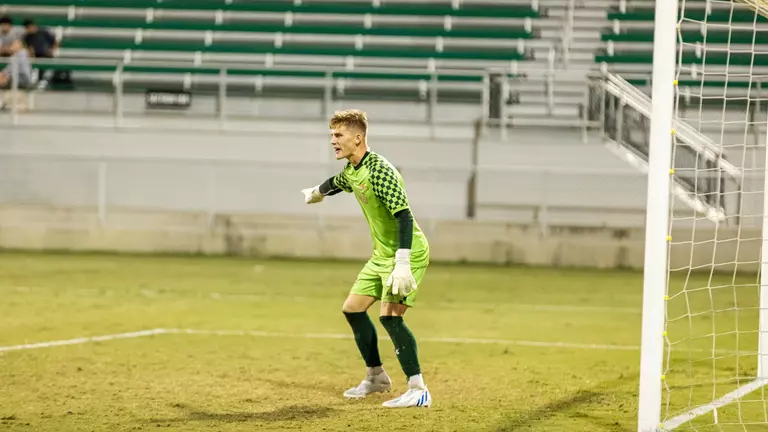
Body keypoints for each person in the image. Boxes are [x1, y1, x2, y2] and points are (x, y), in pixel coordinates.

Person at [301, 109, 432, 408]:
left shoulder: (380, 171)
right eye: (331, 135)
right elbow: (338, 182)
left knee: (390, 317)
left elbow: (404, 217)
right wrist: (318, 192)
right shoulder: (353, 169)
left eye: (338, 135)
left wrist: (402, 263)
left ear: (358, 138)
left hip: (407, 252)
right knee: (353, 309)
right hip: (382, 255)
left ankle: (418, 389)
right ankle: (376, 377)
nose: (333, 141)